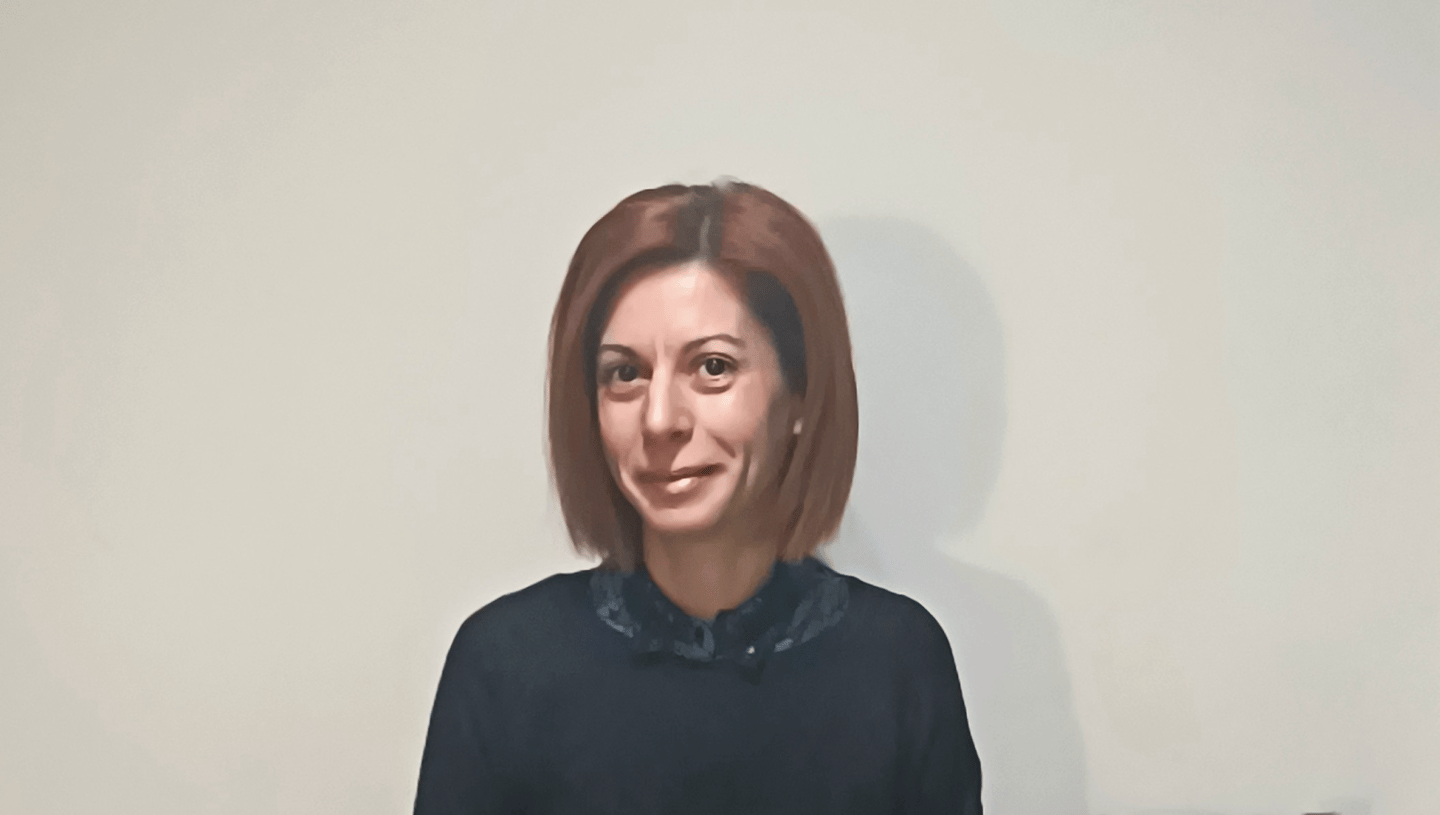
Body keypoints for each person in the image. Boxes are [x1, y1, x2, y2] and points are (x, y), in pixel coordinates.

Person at [414, 180, 983, 814]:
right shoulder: (505, 664)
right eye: (625, 373)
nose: (660, 420)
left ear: (800, 394)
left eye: (713, 367)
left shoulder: (897, 663)